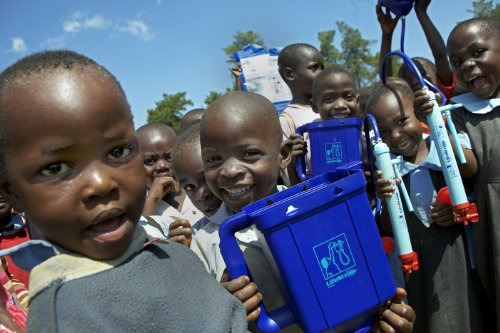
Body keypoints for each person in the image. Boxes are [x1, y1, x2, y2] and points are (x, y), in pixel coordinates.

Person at [0, 50, 248, 332]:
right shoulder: (66, 317)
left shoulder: (175, 255)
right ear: (12, 193)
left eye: (118, 151)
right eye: (56, 168)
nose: (101, 183)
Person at [195, 91, 415, 332]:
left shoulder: (325, 213)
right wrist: (221, 307)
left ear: (283, 155)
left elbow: (358, 289)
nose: (230, 170)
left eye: (249, 154)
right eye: (214, 159)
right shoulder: (201, 246)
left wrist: (383, 320)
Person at [368, 81, 484, 333]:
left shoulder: (443, 152)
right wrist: (385, 197)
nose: (396, 136)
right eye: (385, 132)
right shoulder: (390, 172)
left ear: (417, 115)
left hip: (459, 264)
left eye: (402, 121)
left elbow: (471, 169)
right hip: (418, 276)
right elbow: (388, 228)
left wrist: (435, 122)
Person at [415, 16, 500, 331]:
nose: (468, 65)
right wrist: (437, 121)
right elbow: (468, 166)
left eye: (478, 53)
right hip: (494, 223)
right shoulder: (461, 113)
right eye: (458, 61)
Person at [136, 123, 204, 233]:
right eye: (149, 161)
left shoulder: (200, 188)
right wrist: (151, 201)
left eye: (170, 157)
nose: (162, 166)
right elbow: (144, 240)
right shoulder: (137, 206)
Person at [277, 43, 324, 185]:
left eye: (323, 68)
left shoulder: (331, 109)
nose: (322, 73)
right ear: (290, 74)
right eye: (314, 68)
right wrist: (292, 159)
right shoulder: (286, 121)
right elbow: (289, 180)